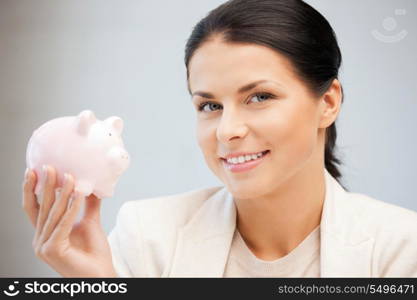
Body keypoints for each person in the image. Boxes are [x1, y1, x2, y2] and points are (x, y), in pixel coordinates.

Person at [22, 0, 417, 277]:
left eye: (259, 97)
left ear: (328, 102)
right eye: (209, 106)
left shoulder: (401, 249)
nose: (228, 131)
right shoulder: (147, 235)